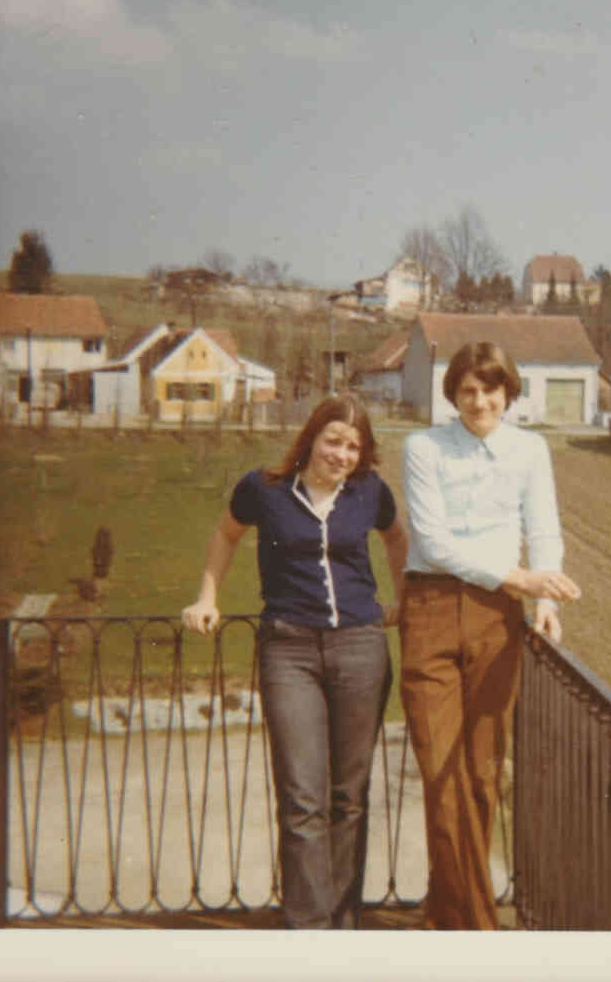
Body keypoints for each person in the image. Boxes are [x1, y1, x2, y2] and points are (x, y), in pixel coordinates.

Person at [181, 395, 407, 929]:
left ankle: (343, 918)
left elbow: (397, 539)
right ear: (310, 439)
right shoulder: (265, 489)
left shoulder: (369, 492)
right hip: (290, 650)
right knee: (302, 795)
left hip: (360, 646)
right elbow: (225, 534)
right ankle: (309, 931)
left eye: (354, 446)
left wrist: (405, 599)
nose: (343, 454)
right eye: (334, 441)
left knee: (349, 796)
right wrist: (207, 597)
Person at [399, 342, 582, 930]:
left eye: (490, 390)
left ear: (508, 393)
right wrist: (520, 577)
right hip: (430, 608)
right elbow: (433, 541)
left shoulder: (530, 451)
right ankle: (480, 931)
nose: (479, 401)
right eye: (468, 390)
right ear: (453, 394)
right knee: (439, 768)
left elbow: (544, 528)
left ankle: (446, 914)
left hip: (496, 619)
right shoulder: (422, 447)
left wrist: (546, 599)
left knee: (479, 774)